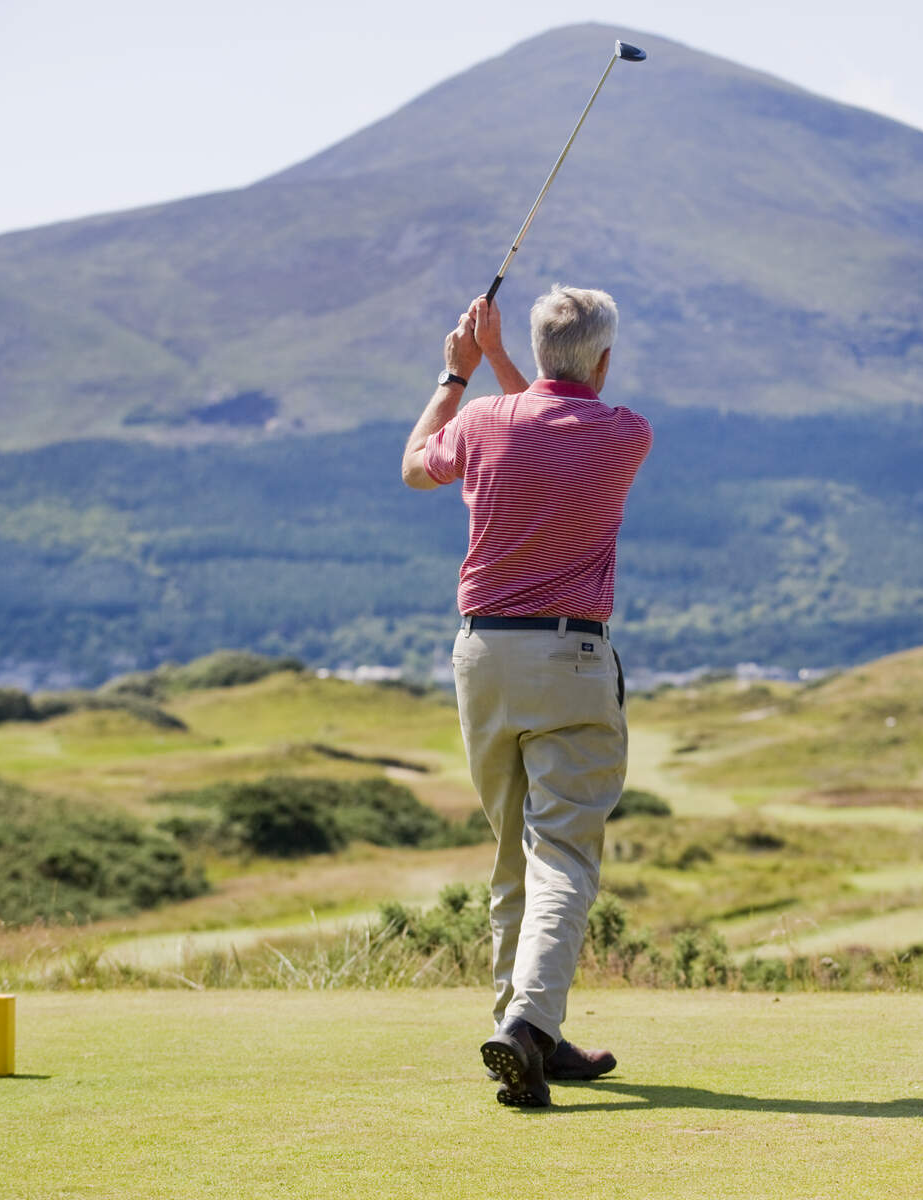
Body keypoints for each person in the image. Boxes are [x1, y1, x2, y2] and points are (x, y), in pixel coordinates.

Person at [401, 285, 652, 1108]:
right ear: (605, 360)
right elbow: (554, 414)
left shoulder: (479, 421)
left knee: (516, 852)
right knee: (565, 854)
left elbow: (415, 466)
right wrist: (508, 363)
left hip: (483, 656)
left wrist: (457, 369)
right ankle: (529, 1028)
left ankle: (525, 1025)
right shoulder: (625, 434)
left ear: (539, 355)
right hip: (571, 655)